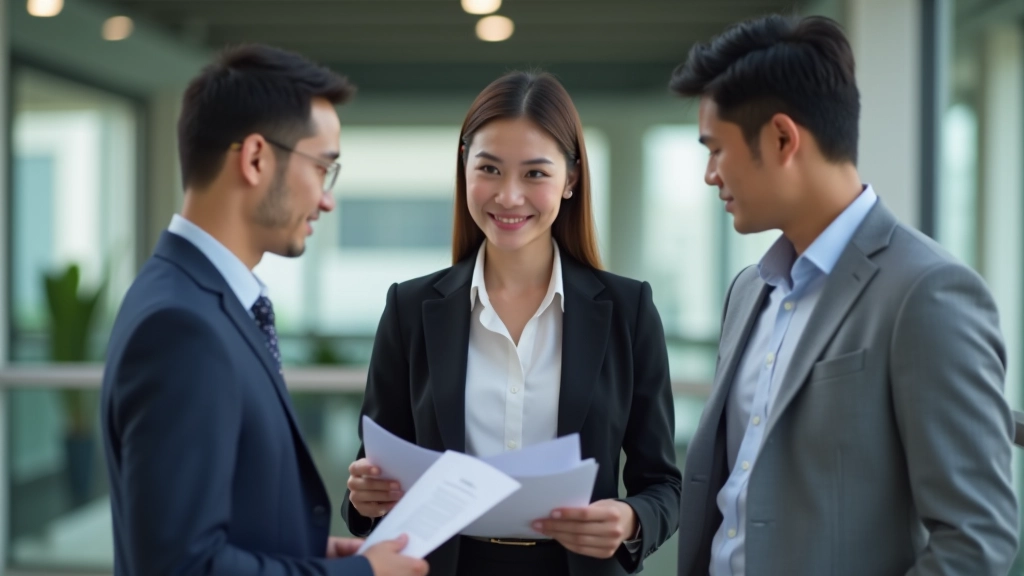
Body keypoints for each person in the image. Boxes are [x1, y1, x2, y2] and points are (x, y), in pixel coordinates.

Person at [669, 14, 1019, 576]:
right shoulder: (749, 290)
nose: (710, 174)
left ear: (782, 138)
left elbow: (976, 538)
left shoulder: (927, 293)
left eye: (716, 149)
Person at [101, 44, 429, 576]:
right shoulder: (181, 326)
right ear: (256, 158)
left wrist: (309, 552)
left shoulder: (194, 296)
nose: (327, 199)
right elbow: (180, 566)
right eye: (322, 167)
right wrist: (361, 574)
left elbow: (220, 521)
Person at [341, 71, 682, 576]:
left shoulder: (627, 310)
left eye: (535, 174)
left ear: (571, 179)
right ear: (464, 168)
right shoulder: (410, 308)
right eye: (490, 169)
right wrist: (365, 497)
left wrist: (631, 519)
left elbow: (664, 486)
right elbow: (371, 478)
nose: (508, 196)